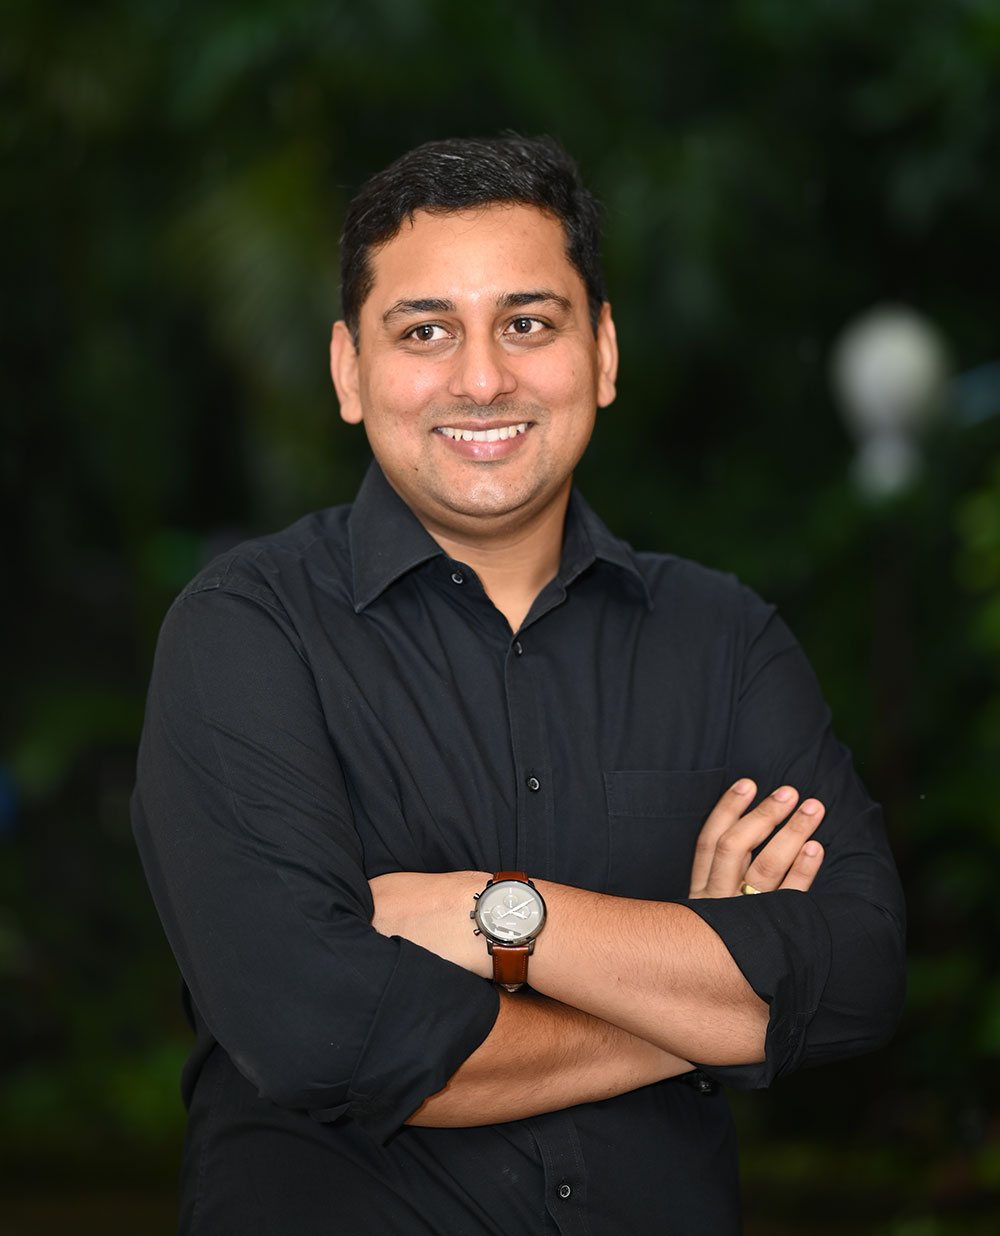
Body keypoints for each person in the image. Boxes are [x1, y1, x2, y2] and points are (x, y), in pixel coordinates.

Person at [132, 135, 906, 1235]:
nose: (482, 376)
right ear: (351, 372)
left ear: (602, 354)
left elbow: (859, 973)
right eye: (426, 331)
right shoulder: (245, 635)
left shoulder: (724, 639)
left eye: (528, 324)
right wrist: (696, 992)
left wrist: (498, 917)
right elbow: (325, 1038)